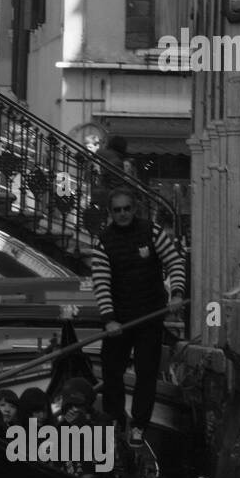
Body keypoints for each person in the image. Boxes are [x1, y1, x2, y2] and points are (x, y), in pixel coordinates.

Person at [89, 187, 186, 449]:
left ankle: (139, 426)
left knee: (146, 374)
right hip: (118, 320)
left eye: (126, 209)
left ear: (135, 210)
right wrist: (109, 319)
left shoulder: (152, 232)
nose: (122, 214)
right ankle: (116, 422)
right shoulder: (103, 242)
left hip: (150, 317)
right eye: (117, 210)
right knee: (112, 374)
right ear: (111, 213)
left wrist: (176, 293)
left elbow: (175, 262)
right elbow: (102, 283)